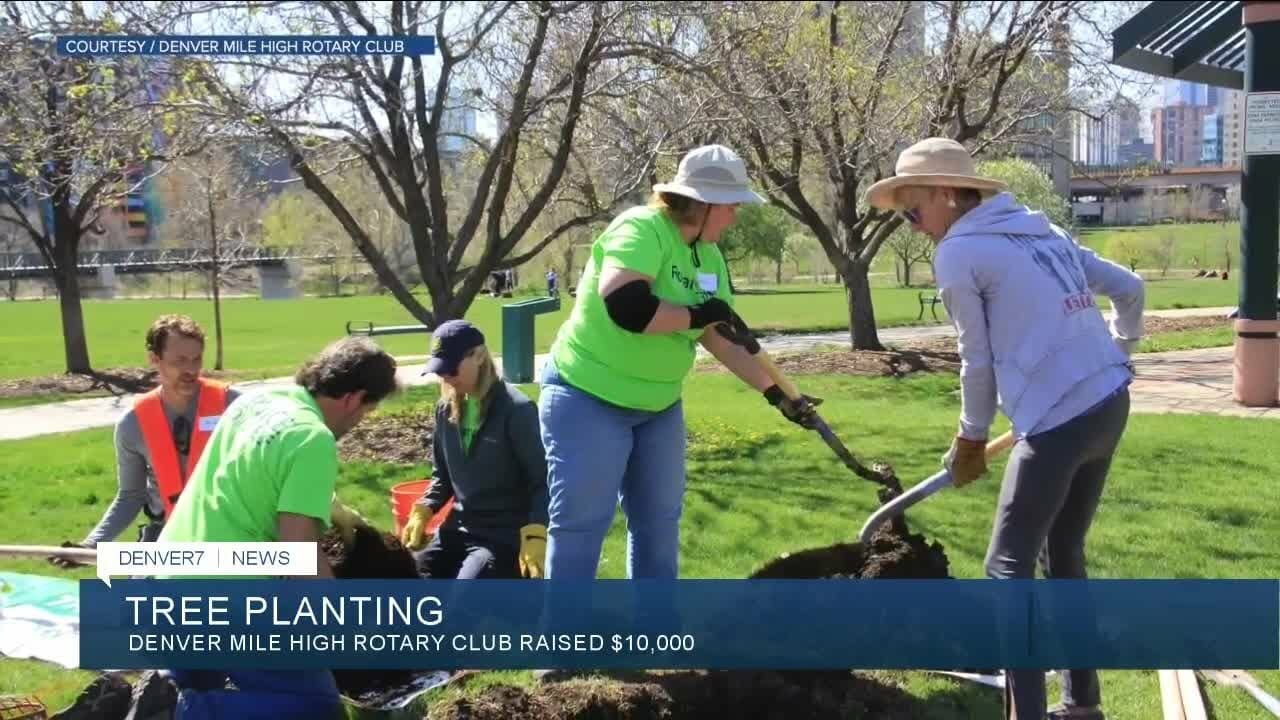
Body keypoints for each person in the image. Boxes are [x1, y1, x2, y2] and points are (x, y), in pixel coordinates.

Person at [865, 137, 1145, 720]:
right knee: (1062, 550)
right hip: (1108, 403)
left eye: (913, 210)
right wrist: (1121, 349)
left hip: (1060, 420)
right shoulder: (1043, 230)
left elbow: (977, 358)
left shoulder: (960, 251)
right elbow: (1131, 289)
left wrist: (971, 436)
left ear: (946, 193)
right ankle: (1083, 704)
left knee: (1005, 568)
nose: (914, 226)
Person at [537, 144, 821, 580]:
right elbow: (626, 307)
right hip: (587, 397)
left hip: (658, 406)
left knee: (658, 525)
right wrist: (696, 314)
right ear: (702, 203)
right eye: (731, 207)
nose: (736, 217)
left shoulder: (709, 257)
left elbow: (723, 337)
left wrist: (776, 394)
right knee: (581, 527)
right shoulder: (642, 229)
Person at [157, 336, 399, 720]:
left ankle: (156, 696)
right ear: (355, 399)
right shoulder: (314, 439)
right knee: (313, 706)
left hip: (168, 579)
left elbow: (253, 473)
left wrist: (331, 506)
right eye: (366, 411)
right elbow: (298, 561)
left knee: (192, 679)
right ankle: (181, 710)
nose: (358, 422)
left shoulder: (258, 400)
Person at [51, 315, 238, 568]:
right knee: (139, 603)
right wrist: (90, 547)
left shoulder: (235, 406)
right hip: (165, 536)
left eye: (196, 359)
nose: (191, 370)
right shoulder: (133, 425)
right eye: (179, 361)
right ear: (155, 360)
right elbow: (131, 496)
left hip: (230, 538)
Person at [398, 320, 550, 579]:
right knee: (409, 577)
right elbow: (442, 476)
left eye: (451, 369)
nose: (445, 377)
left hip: (502, 537)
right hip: (457, 529)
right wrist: (424, 508)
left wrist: (536, 533)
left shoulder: (517, 411)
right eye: (439, 370)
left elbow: (541, 481)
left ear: (479, 356)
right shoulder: (444, 409)